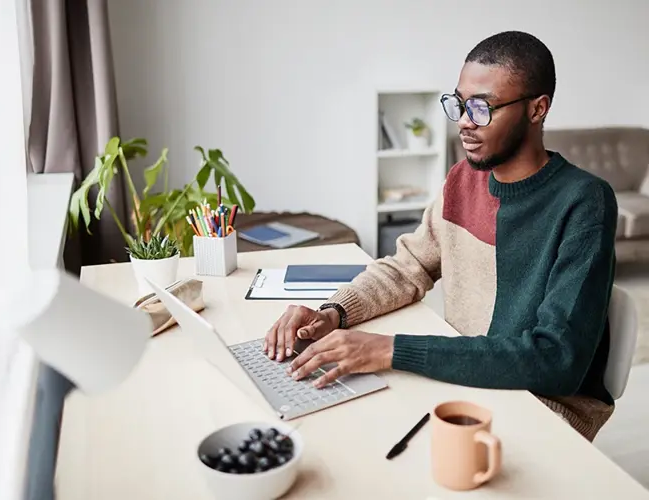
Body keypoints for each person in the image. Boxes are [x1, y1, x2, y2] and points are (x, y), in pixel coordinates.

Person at [264, 31, 618, 442]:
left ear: (537, 109)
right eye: (460, 104)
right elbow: (407, 267)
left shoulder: (584, 201)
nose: (466, 121)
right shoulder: (463, 180)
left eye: (483, 107)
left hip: (542, 404)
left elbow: (556, 359)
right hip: (463, 374)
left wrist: (387, 349)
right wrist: (333, 315)